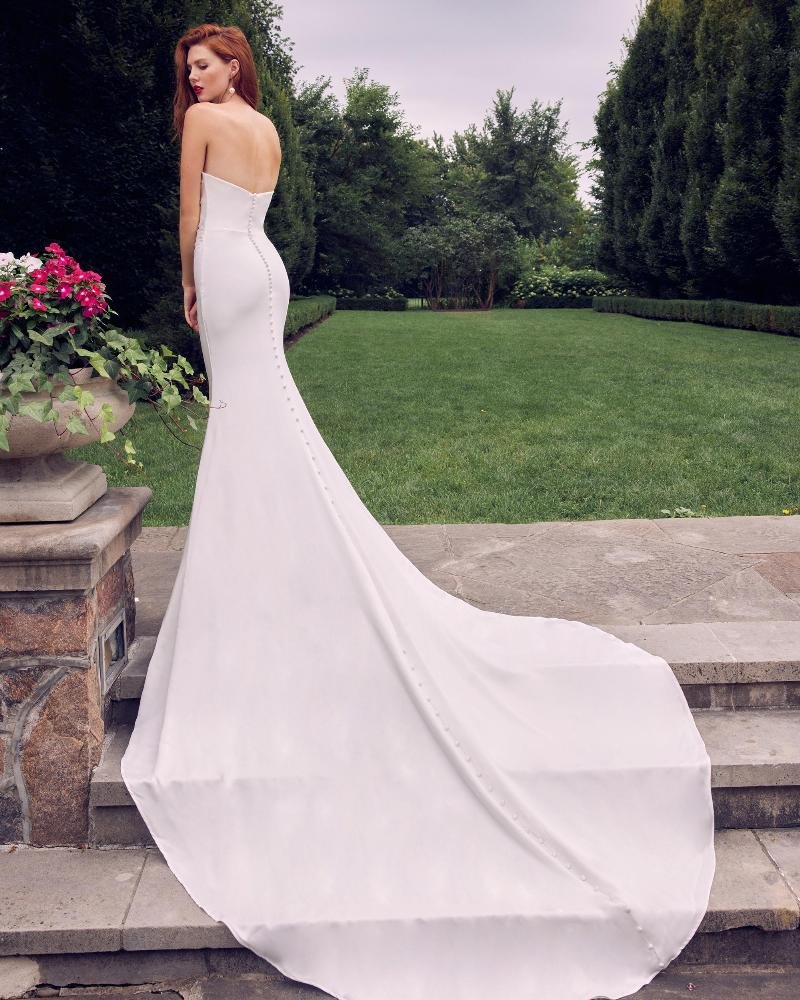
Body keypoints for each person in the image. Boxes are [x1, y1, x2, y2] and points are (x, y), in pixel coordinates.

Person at [120, 22, 716, 1000]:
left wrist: (185, 281)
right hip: (262, 272)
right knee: (260, 434)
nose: (192, 77)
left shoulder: (200, 127)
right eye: (186, 67)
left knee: (244, 432)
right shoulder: (266, 128)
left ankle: (255, 594)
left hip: (227, 278)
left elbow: (188, 216)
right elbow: (248, 208)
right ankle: (270, 578)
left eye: (205, 63)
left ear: (232, 67)